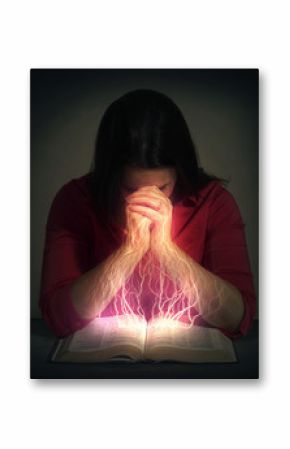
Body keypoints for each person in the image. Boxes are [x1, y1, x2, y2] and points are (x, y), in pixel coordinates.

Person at [39, 88, 256, 338]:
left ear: (180, 171)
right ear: (110, 176)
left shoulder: (214, 203)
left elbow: (238, 317)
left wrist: (166, 249)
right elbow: (57, 316)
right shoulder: (75, 200)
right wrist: (131, 249)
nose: (148, 199)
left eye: (162, 187)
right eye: (130, 188)